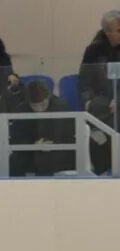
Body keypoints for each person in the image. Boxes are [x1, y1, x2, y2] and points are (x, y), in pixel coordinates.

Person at [77, 11, 120, 174]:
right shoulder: (94, 51)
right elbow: (85, 82)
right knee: (97, 122)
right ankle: (103, 171)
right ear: (107, 32)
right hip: (102, 103)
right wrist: (88, 101)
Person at [9, 80, 75, 176]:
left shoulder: (61, 108)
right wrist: (33, 144)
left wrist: (52, 144)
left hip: (57, 152)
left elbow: (69, 136)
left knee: (45, 159)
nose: (39, 110)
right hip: (30, 151)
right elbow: (16, 138)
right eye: (35, 106)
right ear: (29, 103)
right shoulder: (22, 110)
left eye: (43, 104)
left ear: (48, 98)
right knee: (14, 159)